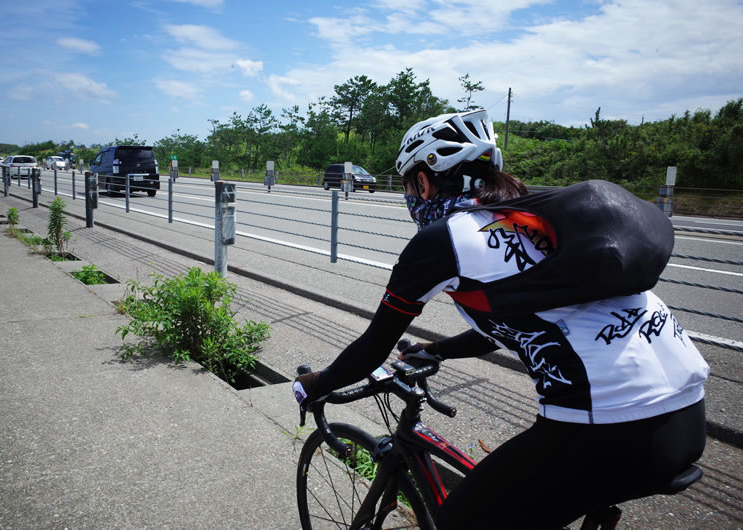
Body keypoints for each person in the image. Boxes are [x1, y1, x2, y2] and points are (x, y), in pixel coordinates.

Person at [293, 109, 710, 529]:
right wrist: (437, 349)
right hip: (686, 415)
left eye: (407, 185)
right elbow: (521, 324)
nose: (409, 197)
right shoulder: (535, 220)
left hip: (607, 425)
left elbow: (372, 347)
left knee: (460, 521)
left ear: (423, 180)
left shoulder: (443, 239)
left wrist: (314, 386)